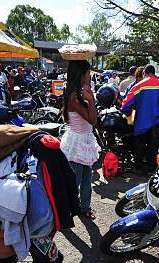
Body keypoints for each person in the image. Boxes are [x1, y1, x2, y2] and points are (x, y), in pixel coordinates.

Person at [59, 60, 99, 220]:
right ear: (82, 75)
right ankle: (66, 211)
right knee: (74, 181)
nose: (90, 76)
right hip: (77, 144)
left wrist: (90, 98)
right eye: (88, 73)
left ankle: (84, 207)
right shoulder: (75, 96)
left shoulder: (79, 92)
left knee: (87, 178)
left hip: (85, 141)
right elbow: (92, 120)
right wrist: (92, 101)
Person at [122, 64, 159, 174]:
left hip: (141, 122)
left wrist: (127, 113)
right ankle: (151, 169)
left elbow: (126, 105)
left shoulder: (139, 86)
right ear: (154, 73)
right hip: (156, 122)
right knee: (153, 147)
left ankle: (138, 168)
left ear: (144, 73)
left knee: (139, 146)